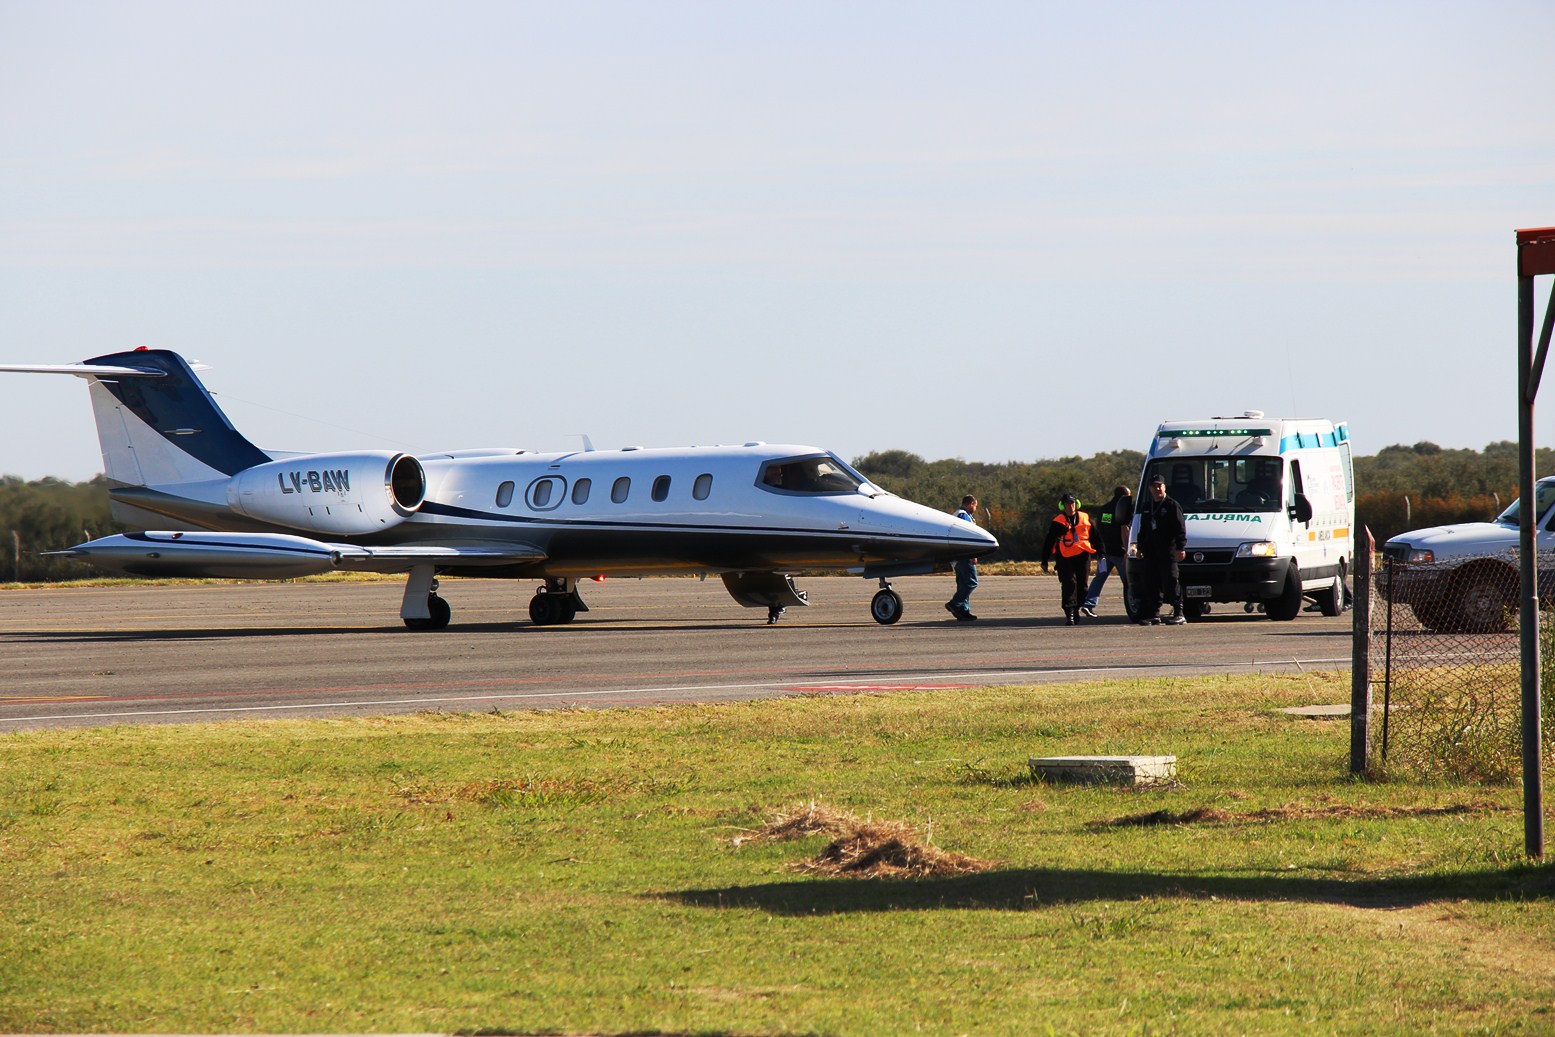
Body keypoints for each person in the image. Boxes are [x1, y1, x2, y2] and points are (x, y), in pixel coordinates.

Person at [1136, 473, 1188, 626]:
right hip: (1151, 552)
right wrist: (1140, 548)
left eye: (1159, 485)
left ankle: (1179, 612)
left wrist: (1181, 547)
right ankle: (1154, 614)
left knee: (1171, 581)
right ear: (1150, 488)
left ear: (1164, 487)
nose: (1157, 488)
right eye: (1154, 486)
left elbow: (1180, 528)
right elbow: (1143, 530)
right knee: (1152, 582)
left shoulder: (1172, 505)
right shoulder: (1147, 507)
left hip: (1168, 551)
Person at [1041, 493, 1096, 625]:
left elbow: (1095, 536)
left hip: (1083, 555)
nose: (1070, 506)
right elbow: (1049, 541)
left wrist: (1102, 554)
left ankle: (1077, 609)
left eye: (1072, 503)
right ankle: (1069, 613)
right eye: (1067, 504)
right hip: (1064, 556)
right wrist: (1044, 560)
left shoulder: (1085, 518)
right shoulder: (1058, 522)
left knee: (1082, 585)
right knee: (1069, 584)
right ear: (1063, 506)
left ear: (1076, 504)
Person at [1081, 484, 1133, 618]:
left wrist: (1100, 549)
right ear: (1124, 496)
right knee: (1129, 581)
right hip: (1119, 552)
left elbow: (1099, 529)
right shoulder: (1123, 509)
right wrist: (1127, 550)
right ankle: (1134, 603)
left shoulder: (1105, 509)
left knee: (1099, 578)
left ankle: (1088, 604)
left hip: (1104, 552)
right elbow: (1124, 529)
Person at [945, 495, 981, 621]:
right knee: (971, 582)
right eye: (975, 505)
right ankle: (955, 603)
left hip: (957, 556)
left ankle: (963, 611)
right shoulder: (963, 515)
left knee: (963, 584)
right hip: (964, 557)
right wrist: (973, 554)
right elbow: (967, 537)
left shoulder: (957, 514)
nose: (975, 508)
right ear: (971, 504)